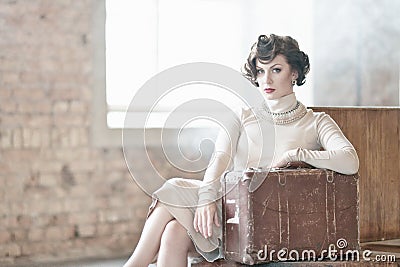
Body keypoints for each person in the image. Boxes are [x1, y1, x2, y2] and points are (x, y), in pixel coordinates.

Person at [123, 34, 359, 267]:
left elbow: (350, 161)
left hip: (268, 222)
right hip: (227, 210)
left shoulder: (316, 121)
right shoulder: (242, 115)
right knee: (173, 228)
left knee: (175, 225)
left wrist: (296, 155)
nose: (266, 79)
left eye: (276, 70)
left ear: (294, 73)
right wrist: (206, 200)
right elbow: (219, 160)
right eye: (260, 71)